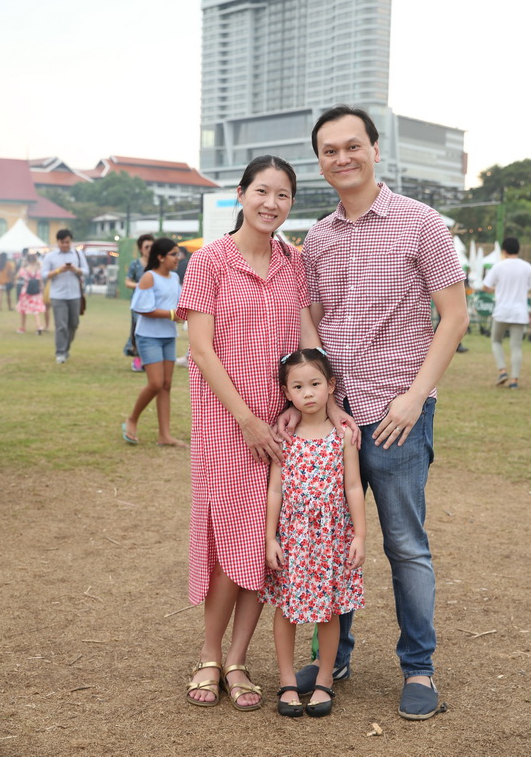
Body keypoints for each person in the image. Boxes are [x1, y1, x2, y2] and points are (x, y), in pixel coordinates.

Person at [285, 105, 469, 721]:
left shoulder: (421, 222)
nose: (342, 158)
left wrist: (415, 397)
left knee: (404, 545)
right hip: (335, 419)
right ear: (320, 162)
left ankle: (419, 668)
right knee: (331, 537)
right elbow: (311, 318)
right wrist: (325, 400)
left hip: (397, 417)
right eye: (329, 150)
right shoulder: (318, 237)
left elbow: (454, 317)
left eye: (352, 146)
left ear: (375, 150)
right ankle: (332, 659)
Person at [177, 155, 356, 712]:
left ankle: (237, 660)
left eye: (282, 195)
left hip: (282, 426)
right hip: (225, 425)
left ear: (291, 204)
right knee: (228, 543)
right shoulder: (209, 261)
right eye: (261, 191)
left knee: (263, 546)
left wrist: (330, 405)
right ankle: (209, 655)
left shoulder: (293, 262)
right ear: (241, 194)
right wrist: (246, 419)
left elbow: (308, 341)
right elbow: (201, 350)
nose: (270, 203)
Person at [260, 348, 365, 718]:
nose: (307, 393)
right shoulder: (284, 436)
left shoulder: (343, 435)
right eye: (298, 386)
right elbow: (275, 489)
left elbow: (353, 486)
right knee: (286, 608)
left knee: (329, 610)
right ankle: (288, 680)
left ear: (331, 386)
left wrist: (360, 535)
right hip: (293, 539)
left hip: (330, 539)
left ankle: (324, 679)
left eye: (315, 384)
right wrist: (270, 538)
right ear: (286, 393)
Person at [122, 238, 183, 446]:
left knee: (166, 385)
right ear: (160, 257)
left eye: (178, 254)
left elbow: (179, 305)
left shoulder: (175, 278)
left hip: (168, 336)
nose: (178, 258)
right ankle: (132, 419)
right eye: (173, 254)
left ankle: (164, 436)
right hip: (148, 337)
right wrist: (172, 314)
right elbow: (141, 307)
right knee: (156, 383)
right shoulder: (149, 277)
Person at [482, 237, 531, 389]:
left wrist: (497, 290)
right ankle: (514, 380)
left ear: (504, 250)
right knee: (516, 347)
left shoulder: (499, 266)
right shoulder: (527, 267)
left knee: (496, 341)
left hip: (501, 311)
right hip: (520, 313)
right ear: (518, 249)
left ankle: (502, 370)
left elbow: (485, 286)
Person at [41, 230, 89, 364]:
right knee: (61, 325)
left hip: (75, 295)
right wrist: (58, 271)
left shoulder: (78, 254)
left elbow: (86, 271)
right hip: (58, 295)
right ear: (58, 242)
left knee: (73, 324)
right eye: (62, 242)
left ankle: (66, 348)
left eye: (67, 242)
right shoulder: (50, 256)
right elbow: (43, 275)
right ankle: (60, 352)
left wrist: (76, 270)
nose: (65, 245)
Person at [123, 233, 155, 372]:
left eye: (152, 246)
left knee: (152, 330)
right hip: (138, 303)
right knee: (137, 329)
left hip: (155, 302)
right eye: (147, 247)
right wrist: (140, 286)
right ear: (141, 249)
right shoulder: (135, 264)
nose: (150, 249)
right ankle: (137, 357)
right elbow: (127, 282)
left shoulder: (157, 264)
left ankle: (150, 359)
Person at [15, 253, 46, 334]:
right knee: (35, 310)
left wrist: (22, 266)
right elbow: (40, 281)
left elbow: (17, 276)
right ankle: (39, 326)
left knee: (23, 310)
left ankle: (22, 327)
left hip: (26, 291)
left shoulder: (24, 269)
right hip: (36, 292)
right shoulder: (38, 269)